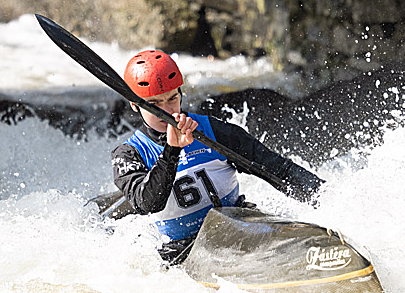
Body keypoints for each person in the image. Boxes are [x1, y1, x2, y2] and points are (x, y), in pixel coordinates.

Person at [112, 49, 323, 265]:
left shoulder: (212, 130)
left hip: (239, 225)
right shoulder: (129, 154)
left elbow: (277, 169)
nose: (168, 110)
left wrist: (327, 198)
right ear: (135, 105)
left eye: (173, 98)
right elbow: (148, 203)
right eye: (155, 104)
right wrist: (171, 151)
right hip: (183, 250)